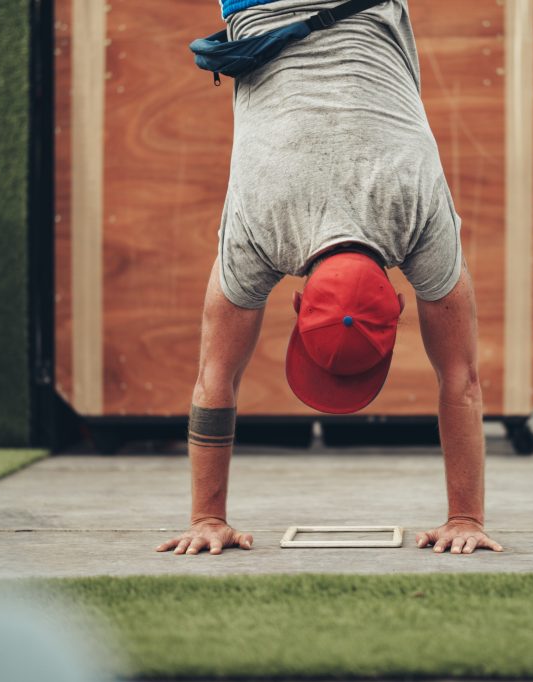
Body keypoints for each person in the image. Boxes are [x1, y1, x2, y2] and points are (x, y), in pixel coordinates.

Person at [156, 0, 503, 556]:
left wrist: (208, 514)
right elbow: (211, 382)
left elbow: (464, 382)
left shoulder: (418, 219)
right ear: (394, 300)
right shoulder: (259, 234)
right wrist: (206, 518)